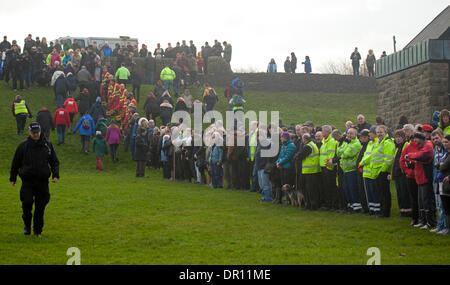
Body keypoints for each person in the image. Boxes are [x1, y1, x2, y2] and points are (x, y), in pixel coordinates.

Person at [10, 122, 59, 237]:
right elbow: (15, 162)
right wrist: (13, 177)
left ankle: (38, 231)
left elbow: (54, 162)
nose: (36, 134)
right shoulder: (23, 146)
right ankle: (27, 226)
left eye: (37, 132)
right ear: (29, 132)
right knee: (26, 203)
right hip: (27, 181)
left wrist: (55, 175)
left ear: (40, 132)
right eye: (34, 132)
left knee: (40, 207)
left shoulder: (48, 145)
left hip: (42, 182)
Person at [406, 132, 436, 229]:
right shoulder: (420, 147)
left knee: (427, 201)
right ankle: (423, 220)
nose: (414, 140)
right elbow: (418, 159)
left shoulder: (427, 145)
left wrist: (410, 155)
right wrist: (410, 162)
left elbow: (423, 156)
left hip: (425, 178)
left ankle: (430, 222)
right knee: (421, 202)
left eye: (415, 138)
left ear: (421, 138)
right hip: (419, 178)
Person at [389, 129, 412, 217]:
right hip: (398, 174)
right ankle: (402, 211)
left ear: (404, 138)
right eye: (396, 137)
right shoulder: (397, 147)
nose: (398, 139)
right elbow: (395, 162)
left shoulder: (406, 145)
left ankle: (408, 211)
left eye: (400, 137)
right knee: (399, 193)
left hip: (403, 174)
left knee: (405, 193)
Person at [431, 129, 447, 233]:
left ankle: (445, 226)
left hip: (444, 179)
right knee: (438, 204)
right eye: (433, 139)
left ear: (441, 137)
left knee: (443, 204)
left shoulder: (445, 150)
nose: (435, 140)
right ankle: (440, 225)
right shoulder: (435, 150)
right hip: (436, 179)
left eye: (437, 138)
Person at [319, 125, 338, 210]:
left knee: (331, 187)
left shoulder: (331, 141)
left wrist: (329, 167)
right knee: (326, 187)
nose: (322, 132)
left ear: (327, 132)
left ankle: (332, 205)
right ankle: (328, 204)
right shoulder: (324, 141)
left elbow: (331, 155)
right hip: (324, 167)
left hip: (329, 168)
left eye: (323, 131)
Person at [276, 132, 297, 205]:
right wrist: (277, 162)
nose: (280, 138)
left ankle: (289, 200)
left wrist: (280, 163)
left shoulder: (291, 146)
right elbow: (280, 156)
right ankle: (286, 199)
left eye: (281, 137)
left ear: (285, 138)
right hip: (282, 167)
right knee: (283, 183)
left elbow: (288, 157)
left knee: (288, 184)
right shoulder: (283, 145)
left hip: (288, 168)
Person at [437, 134, 450, 235]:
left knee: (447, 206)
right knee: (445, 206)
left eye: (447, 142)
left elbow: (442, 166)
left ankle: (448, 228)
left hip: (447, 183)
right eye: (444, 142)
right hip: (442, 183)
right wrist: (440, 165)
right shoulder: (446, 154)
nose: (445, 144)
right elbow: (437, 164)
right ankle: (446, 227)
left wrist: (441, 164)